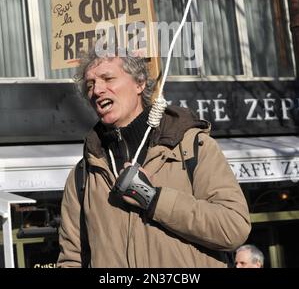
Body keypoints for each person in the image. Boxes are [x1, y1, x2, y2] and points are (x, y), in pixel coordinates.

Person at [57, 52, 251, 268]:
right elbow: (72, 260)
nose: (97, 90)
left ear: (139, 83)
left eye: (108, 78)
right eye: (90, 84)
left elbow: (234, 227)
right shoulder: (83, 175)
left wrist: (153, 199)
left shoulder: (191, 146)